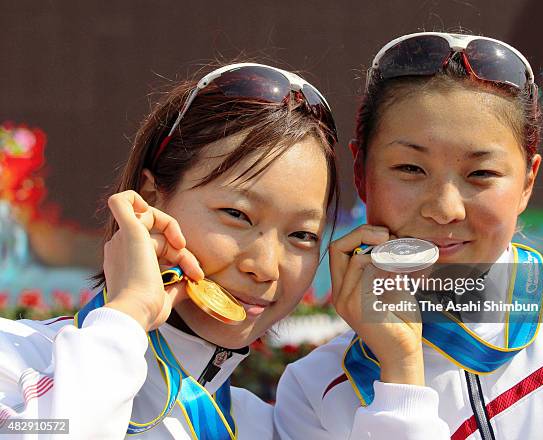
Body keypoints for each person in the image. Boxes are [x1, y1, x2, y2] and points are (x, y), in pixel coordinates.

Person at [274, 33, 543, 439]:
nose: (445, 209)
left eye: (481, 174)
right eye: (411, 170)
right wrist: (400, 374)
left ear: (527, 182)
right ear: (361, 173)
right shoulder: (314, 390)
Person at [0, 62, 338, 439]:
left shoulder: (267, 427)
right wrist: (126, 317)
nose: (266, 267)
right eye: (237, 214)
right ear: (149, 200)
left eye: (302, 235)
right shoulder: (14, 360)